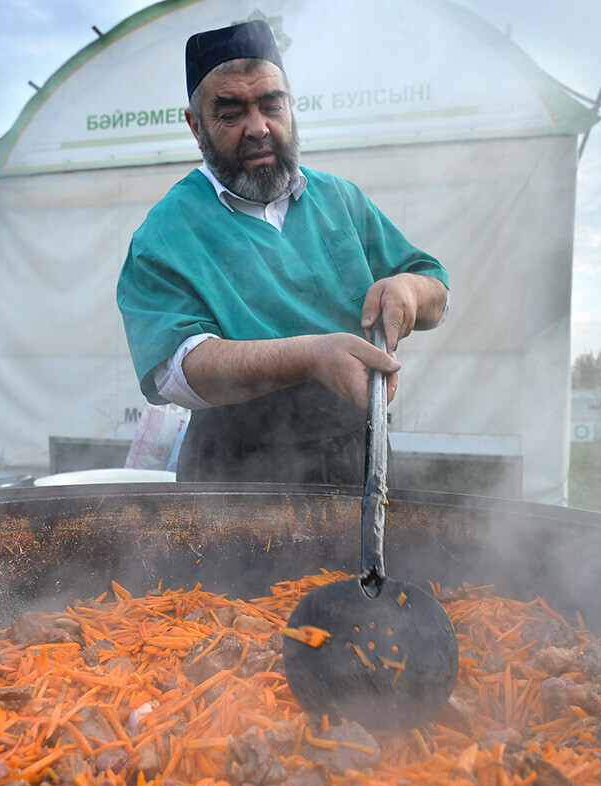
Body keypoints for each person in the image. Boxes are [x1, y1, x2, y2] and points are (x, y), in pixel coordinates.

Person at [117, 20, 449, 484]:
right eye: (231, 113)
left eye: (271, 105)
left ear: (290, 106)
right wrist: (312, 356)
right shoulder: (168, 231)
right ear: (196, 126)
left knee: (361, 560)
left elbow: (434, 288)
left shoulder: (339, 199)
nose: (258, 128)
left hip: (360, 457)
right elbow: (180, 369)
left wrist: (410, 290)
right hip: (232, 472)